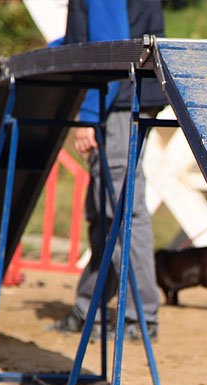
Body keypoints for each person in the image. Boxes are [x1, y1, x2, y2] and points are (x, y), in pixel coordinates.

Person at [53, 0, 167, 341]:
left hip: (116, 98)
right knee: (102, 207)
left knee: (123, 207)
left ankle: (140, 316)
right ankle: (92, 305)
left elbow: (110, 46)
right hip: (128, 92)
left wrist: (87, 113)